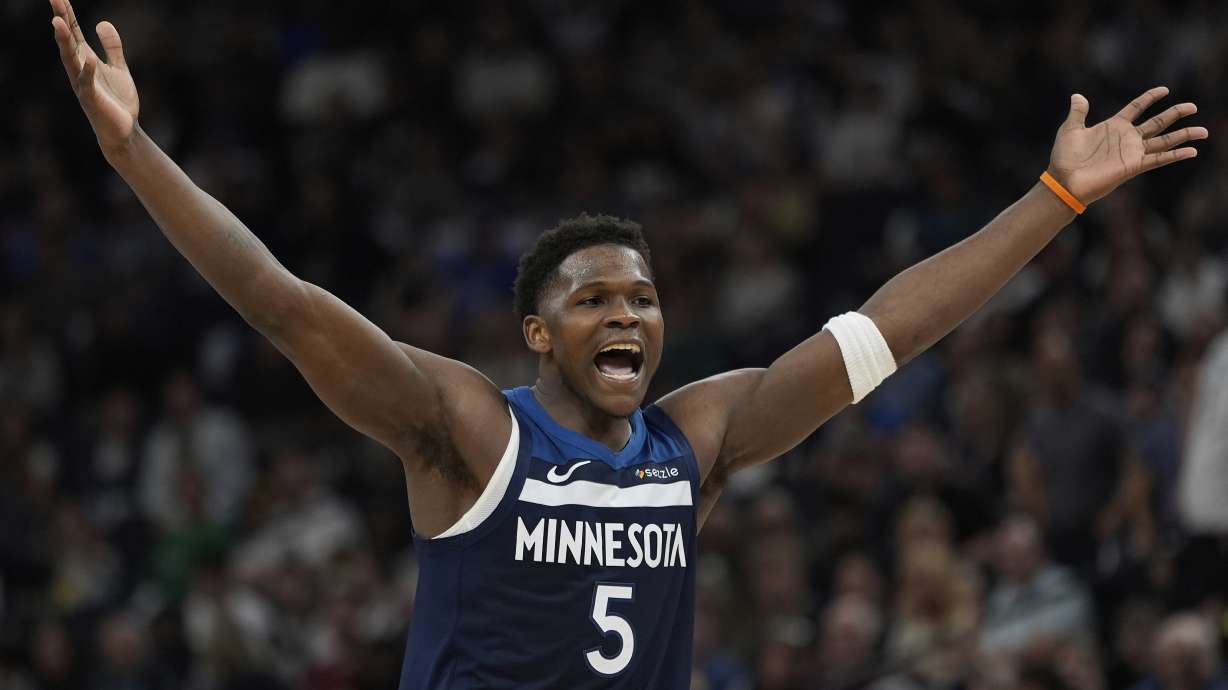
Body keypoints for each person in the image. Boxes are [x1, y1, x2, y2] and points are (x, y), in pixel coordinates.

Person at [47, 1, 1209, 687]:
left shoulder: (693, 439)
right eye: (598, 300)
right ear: (538, 333)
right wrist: (136, 153)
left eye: (643, 300)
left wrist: (1053, 200)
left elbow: (886, 333)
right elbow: (281, 302)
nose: (629, 317)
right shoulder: (467, 433)